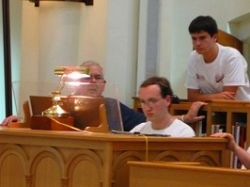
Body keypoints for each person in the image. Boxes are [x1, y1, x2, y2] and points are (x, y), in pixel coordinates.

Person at [2, 61, 206, 131]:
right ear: (75, 81)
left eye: (97, 77)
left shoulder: (111, 105)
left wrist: (184, 119)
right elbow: (41, 126)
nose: (92, 81)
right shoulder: (59, 104)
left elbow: (151, 120)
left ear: (104, 84)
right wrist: (17, 123)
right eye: (87, 77)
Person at [186, 15, 250, 101]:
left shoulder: (232, 56)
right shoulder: (193, 57)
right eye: (194, 38)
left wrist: (202, 97)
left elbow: (228, 98)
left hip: (241, 110)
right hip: (211, 109)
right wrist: (215, 97)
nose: (197, 43)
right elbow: (191, 97)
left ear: (215, 37)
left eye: (202, 38)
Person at [130, 76, 195, 137]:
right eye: (143, 102)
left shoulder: (183, 133)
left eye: (153, 101)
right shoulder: (138, 130)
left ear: (167, 100)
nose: (147, 108)